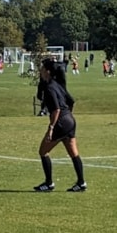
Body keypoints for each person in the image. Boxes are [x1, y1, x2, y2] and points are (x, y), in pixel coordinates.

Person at [34, 59, 86, 192]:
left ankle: (49, 183)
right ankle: (81, 183)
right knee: (74, 153)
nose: (40, 70)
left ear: (47, 71)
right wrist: (68, 116)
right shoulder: (57, 84)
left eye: (42, 68)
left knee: (43, 152)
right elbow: (71, 101)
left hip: (61, 122)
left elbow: (56, 110)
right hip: (70, 120)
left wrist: (51, 128)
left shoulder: (50, 87)